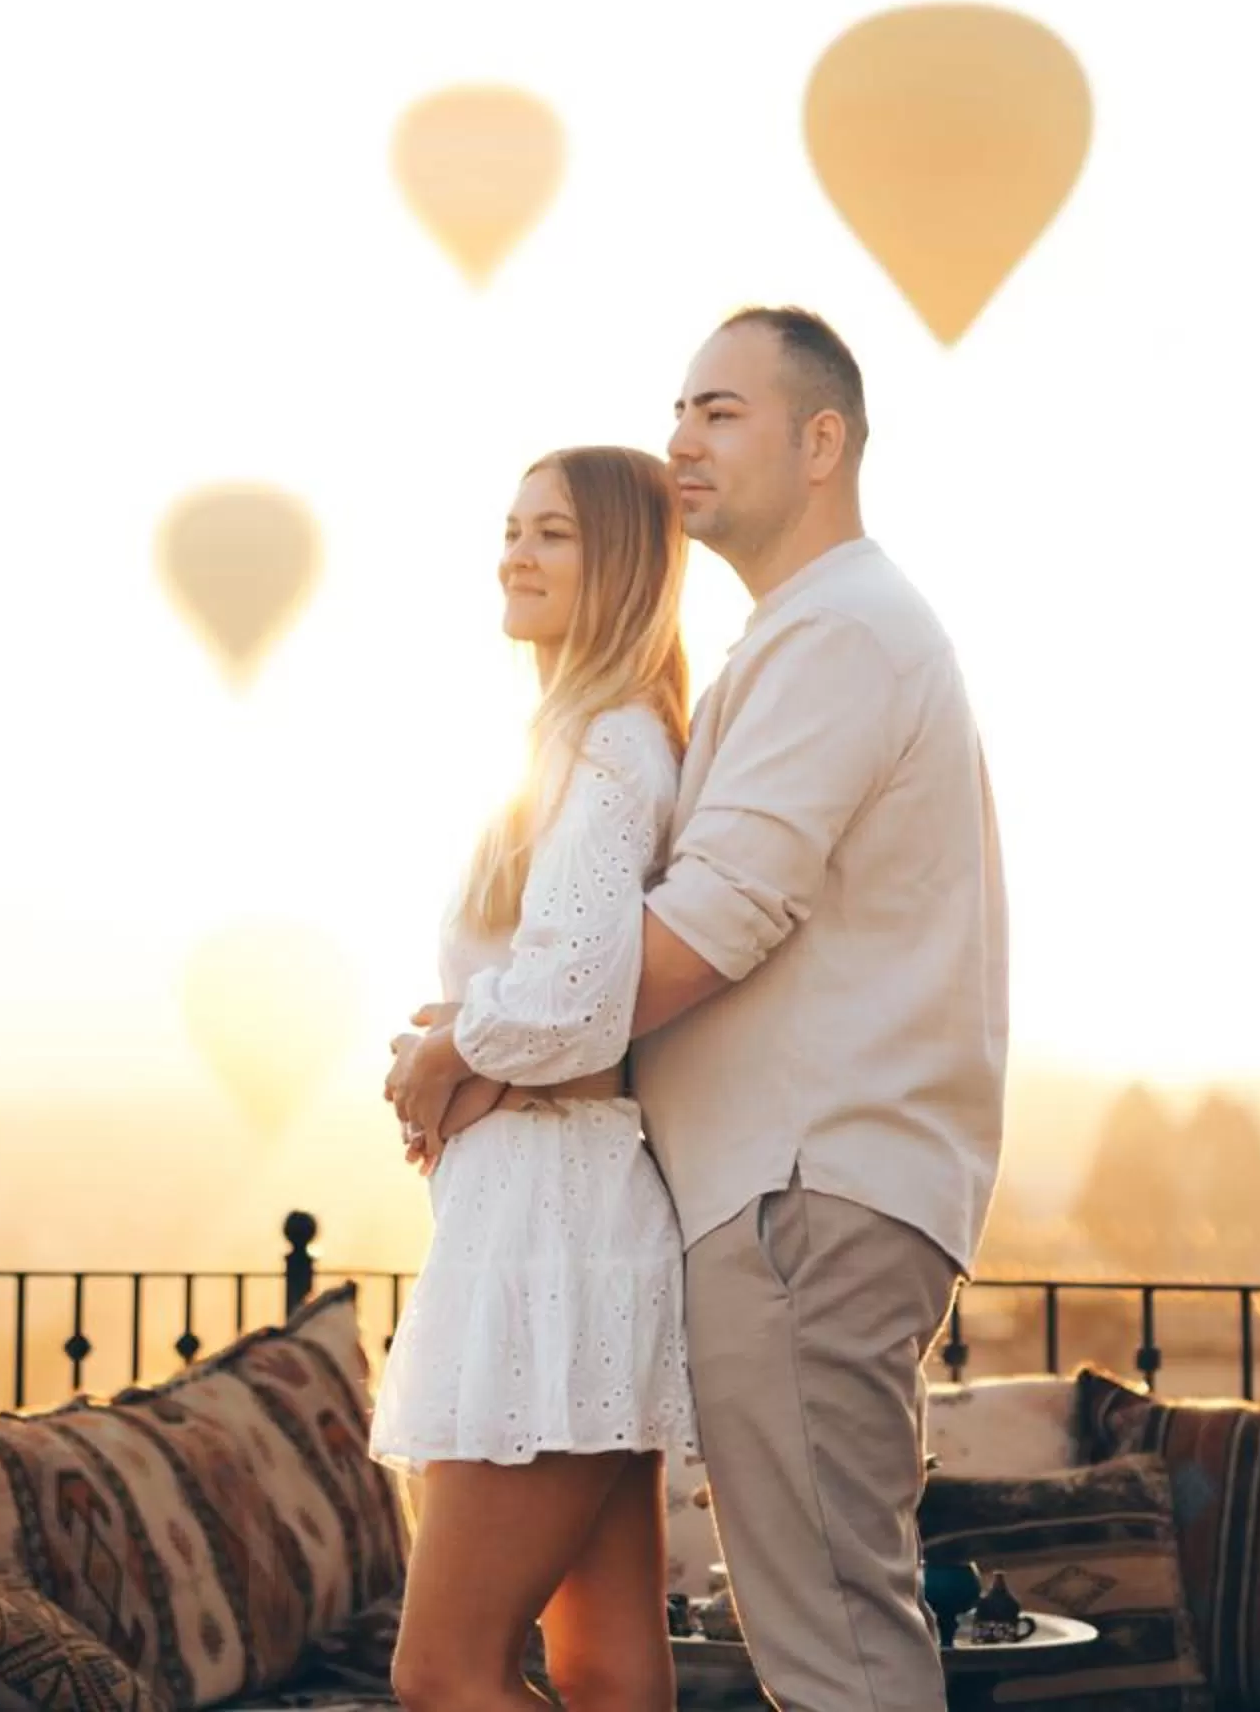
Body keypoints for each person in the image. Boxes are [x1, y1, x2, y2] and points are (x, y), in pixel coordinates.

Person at [393, 309, 1009, 1712]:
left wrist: (466, 1056)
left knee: (830, 1648)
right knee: (690, 1651)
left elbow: (715, 918)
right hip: (759, 1187)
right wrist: (483, 1048)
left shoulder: (840, 634)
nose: (680, 436)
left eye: (719, 410)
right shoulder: (793, 644)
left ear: (820, 441)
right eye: (677, 406)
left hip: (803, 1185)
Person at [372, 445, 697, 1712]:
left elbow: (574, 999)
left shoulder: (610, 751)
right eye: (510, 528)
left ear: (618, 561)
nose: (514, 552)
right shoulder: (580, 738)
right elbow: (562, 1002)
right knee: (605, 1668)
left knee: (443, 1673)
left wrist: (444, 1053)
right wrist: (462, 1061)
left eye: (551, 534)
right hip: (556, 1212)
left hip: (553, 1227)